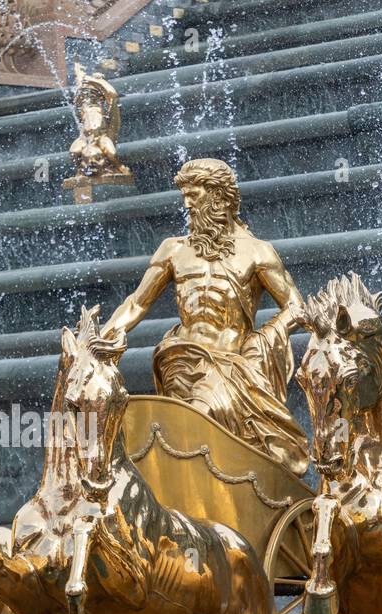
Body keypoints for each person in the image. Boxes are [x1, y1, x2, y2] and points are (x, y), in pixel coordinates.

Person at [100, 158, 309, 476]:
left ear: (219, 197)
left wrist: (264, 339)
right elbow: (137, 303)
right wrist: (103, 336)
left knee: (197, 419)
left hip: (230, 363)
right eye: (183, 196)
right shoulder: (172, 250)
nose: (187, 205)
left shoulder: (257, 252)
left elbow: (296, 306)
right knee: (182, 428)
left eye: (193, 196)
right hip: (181, 361)